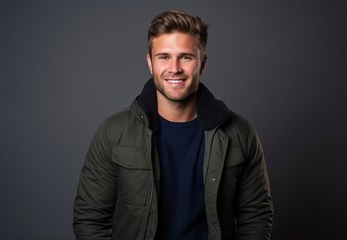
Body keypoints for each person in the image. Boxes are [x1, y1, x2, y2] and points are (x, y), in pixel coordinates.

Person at [73, 10, 273, 240]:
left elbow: (256, 217)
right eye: (164, 57)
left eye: (186, 57)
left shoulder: (240, 133)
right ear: (150, 62)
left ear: (202, 63)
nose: (175, 68)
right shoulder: (113, 132)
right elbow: (89, 218)